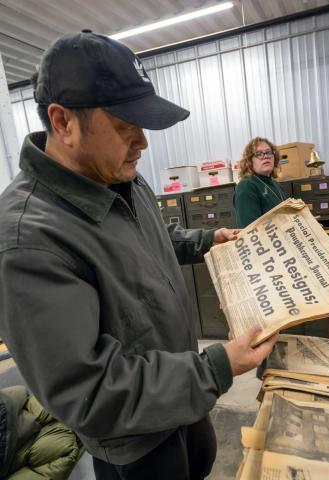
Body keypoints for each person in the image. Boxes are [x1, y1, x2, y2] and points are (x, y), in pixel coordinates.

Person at [0, 30, 277, 480]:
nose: (143, 143)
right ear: (64, 122)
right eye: (126, 126)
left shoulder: (115, 176)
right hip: (135, 444)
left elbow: (146, 236)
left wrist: (207, 239)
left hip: (183, 402)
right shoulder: (27, 239)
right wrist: (217, 367)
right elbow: (87, 390)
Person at [234, 136, 288, 228]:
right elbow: (250, 230)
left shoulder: (275, 184)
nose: (265, 156)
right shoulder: (246, 186)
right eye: (259, 154)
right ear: (250, 161)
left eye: (268, 152)